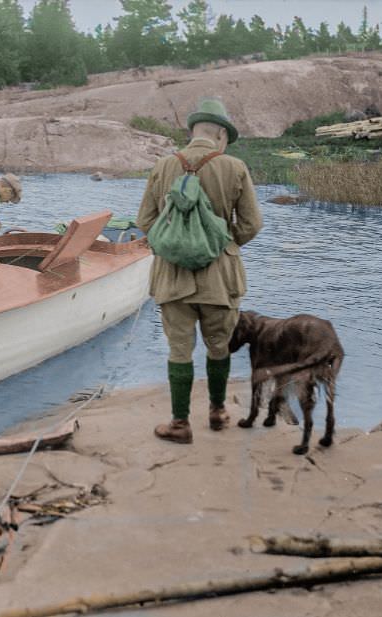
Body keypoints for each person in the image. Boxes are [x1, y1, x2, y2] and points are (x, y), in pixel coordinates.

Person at [136, 98, 263, 444]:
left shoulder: (163, 166)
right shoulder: (234, 167)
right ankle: (218, 412)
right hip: (220, 278)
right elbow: (252, 223)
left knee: (179, 350)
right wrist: (222, 242)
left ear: (193, 132)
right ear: (220, 134)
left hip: (172, 277)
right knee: (218, 346)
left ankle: (180, 424)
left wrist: (174, 244)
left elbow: (145, 221)